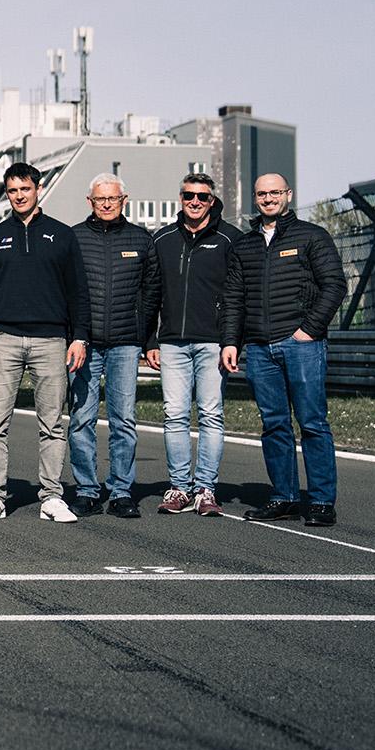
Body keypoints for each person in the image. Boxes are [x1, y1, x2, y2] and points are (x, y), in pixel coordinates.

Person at [0, 163, 91, 523]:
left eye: (25, 189)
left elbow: (78, 292)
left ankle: (52, 496)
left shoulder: (62, 235)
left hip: (51, 340)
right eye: (12, 190)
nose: (19, 196)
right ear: (7, 194)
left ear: (38, 189)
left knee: (52, 424)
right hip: (2, 339)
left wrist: (80, 337)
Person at [220, 173, 346, 526]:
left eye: (275, 192)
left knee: (312, 423)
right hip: (260, 348)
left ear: (288, 194)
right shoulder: (244, 245)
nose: (269, 198)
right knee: (274, 425)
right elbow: (234, 299)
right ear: (255, 198)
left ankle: (321, 501)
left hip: (301, 344)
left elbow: (335, 285)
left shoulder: (312, 236)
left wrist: (309, 330)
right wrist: (231, 342)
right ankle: (284, 497)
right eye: (262, 193)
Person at [142, 172, 240, 518]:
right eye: (188, 196)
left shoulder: (230, 239)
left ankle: (206, 489)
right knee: (174, 414)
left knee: (211, 414)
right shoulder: (162, 239)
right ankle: (179, 487)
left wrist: (231, 340)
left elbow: (236, 295)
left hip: (213, 343)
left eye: (202, 197)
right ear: (180, 198)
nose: (195, 202)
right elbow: (150, 292)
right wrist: (149, 339)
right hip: (171, 344)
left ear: (212, 201)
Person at [67, 174, 158, 519]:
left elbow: (152, 293)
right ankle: (87, 491)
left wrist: (147, 338)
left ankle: (121, 491)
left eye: (113, 198)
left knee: (124, 420)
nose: (106, 204)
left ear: (124, 200)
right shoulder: (73, 238)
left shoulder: (141, 239)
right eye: (100, 199)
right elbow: (65, 291)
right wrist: (71, 336)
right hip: (84, 344)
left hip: (125, 344)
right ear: (89, 201)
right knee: (81, 419)